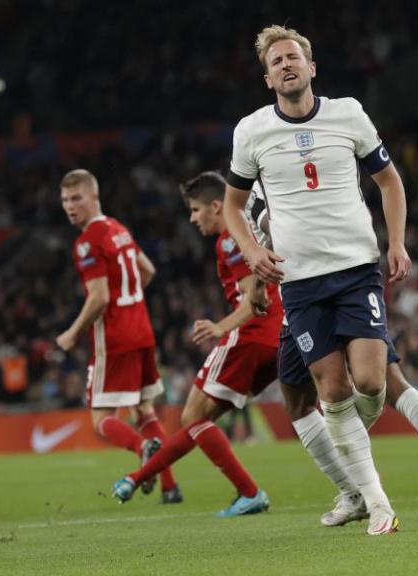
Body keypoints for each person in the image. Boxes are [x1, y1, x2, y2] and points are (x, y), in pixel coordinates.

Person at [223, 24, 410, 536]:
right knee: (331, 390)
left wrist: (396, 242)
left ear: (311, 67)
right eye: (277, 61)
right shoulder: (252, 131)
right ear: (267, 78)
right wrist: (252, 250)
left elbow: (389, 180)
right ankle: (377, 505)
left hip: (355, 270)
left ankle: (351, 465)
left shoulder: (348, 113)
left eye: (293, 58)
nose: (286, 65)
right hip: (300, 283)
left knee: (369, 383)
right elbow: (232, 206)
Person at [246, 184, 418, 524]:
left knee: (304, 402)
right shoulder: (316, 153)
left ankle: (356, 493)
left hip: (306, 294)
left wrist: (255, 285)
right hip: (353, 277)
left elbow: (273, 230)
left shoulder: (260, 175)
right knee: (391, 381)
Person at [111, 172, 278, 517]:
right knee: (201, 421)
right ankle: (136, 477)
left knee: (191, 416)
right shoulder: (248, 229)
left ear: (216, 206)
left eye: (196, 209)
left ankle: (249, 492)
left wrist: (220, 327)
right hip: (278, 337)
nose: (193, 218)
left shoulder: (230, 240)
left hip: (252, 335)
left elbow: (253, 300)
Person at [57, 169, 180, 502]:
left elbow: (99, 298)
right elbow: (148, 270)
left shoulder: (87, 243)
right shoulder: (119, 229)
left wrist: (71, 334)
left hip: (114, 339)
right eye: (66, 200)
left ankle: (144, 449)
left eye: (77, 198)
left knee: (101, 419)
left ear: (94, 198)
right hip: (142, 330)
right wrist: (131, 301)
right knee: (144, 410)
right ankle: (170, 487)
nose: (70, 206)